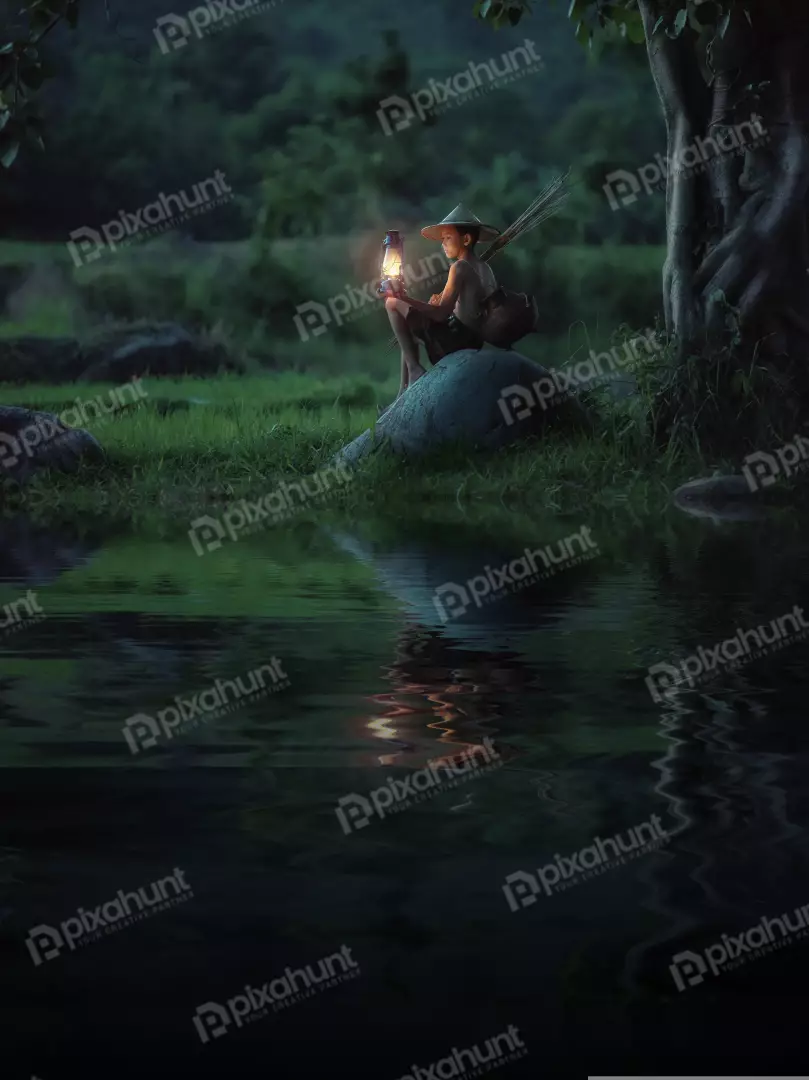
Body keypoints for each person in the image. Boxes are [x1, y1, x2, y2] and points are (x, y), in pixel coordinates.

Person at [383, 205, 500, 399]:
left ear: (466, 239)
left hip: (456, 341)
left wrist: (403, 297)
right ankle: (402, 393)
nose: (443, 244)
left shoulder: (460, 267)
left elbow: (440, 314)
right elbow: (467, 308)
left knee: (391, 303)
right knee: (408, 342)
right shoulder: (485, 268)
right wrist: (435, 305)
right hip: (474, 340)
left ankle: (414, 370)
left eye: (447, 238)